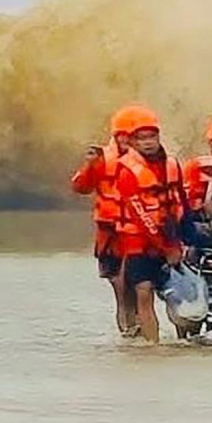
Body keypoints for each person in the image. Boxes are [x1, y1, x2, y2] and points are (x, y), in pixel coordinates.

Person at [115, 105, 189, 344]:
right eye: (142, 138)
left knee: (177, 294)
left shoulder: (173, 165)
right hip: (139, 242)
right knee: (143, 292)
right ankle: (152, 345)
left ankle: (184, 339)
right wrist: (164, 246)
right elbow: (139, 214)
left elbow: (182, 203)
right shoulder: (127, 170)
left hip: (171, 237)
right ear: (133, 142)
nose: (148, 143)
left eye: (152, 137)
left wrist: (179, 242)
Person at [70, 105, 138, 336]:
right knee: (119, 286)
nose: (127, 140)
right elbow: (80, 186)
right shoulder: (101, 158)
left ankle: (137, 329)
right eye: (123, 135)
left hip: (135, 231)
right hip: (109, 232)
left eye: (132, 136)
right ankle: (129, 332)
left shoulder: (146, 161)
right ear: (116, 135)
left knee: (136, 285)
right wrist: (90, 165)